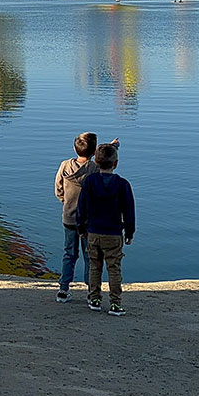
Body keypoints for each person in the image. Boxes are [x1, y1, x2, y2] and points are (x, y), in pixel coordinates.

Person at [54, 133, 117, 303]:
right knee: (91, 256)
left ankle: (63, 289)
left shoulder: (65, 166)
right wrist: (112, 148)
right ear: (93, 153)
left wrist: (67, 203)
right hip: (89, 221)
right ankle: (91, 292)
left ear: (75, 148)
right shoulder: (94, 169)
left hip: (69, 218)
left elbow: (58, 190)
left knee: (69, 254)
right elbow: (104, 162)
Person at [76, 143, 135, 316]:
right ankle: (115, 303)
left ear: (96, 162)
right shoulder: (123, 185)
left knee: (95, 266)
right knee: (114, 268)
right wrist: (129, 232)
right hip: (114, 233)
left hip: (93, 231)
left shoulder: (89, 182)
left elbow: (82, 207)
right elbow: (129, 211)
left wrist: (81, 227)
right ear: (115, 163)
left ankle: (94, 298)